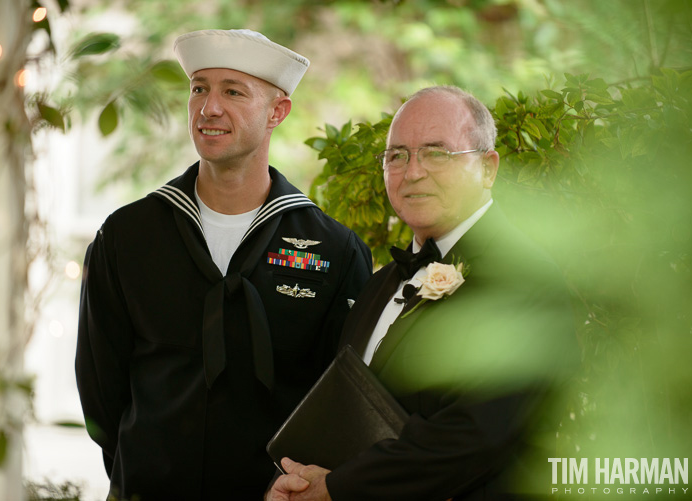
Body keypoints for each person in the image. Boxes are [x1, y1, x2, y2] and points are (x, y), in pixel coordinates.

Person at [75, 29, 372, 500]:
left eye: (233, 91)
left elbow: (340, 398)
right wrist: (144, 465)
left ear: (277, 112)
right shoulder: (127, 236)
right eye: (199, 88)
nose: (209, 108)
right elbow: (100, 387)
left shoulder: (334, 250)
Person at [268, 85, 578, 500]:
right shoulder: (380, 284)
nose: (412, 172)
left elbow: (475, 436)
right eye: (397, 155)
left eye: (436, 152)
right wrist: (302, 480)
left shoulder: (525, 279)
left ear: (488, 168)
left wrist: (338, 488)